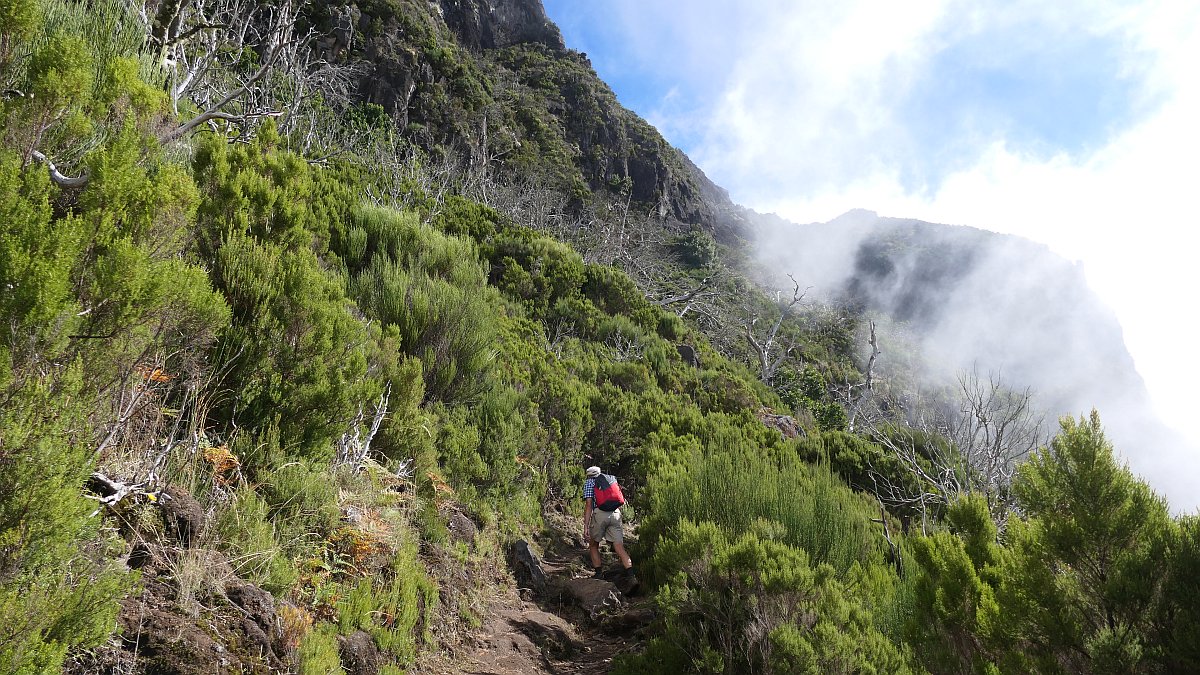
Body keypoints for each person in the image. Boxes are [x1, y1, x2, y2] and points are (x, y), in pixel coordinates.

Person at [582, 465, 636, 583]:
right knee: (619, 547)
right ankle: (632, 577)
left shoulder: (589, 483)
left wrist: (586, 525)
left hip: (600, 514)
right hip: (615, 513)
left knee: (593, 545)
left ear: (588, 475)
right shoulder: (610, 480)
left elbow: (589, 505)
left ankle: (598, 574)